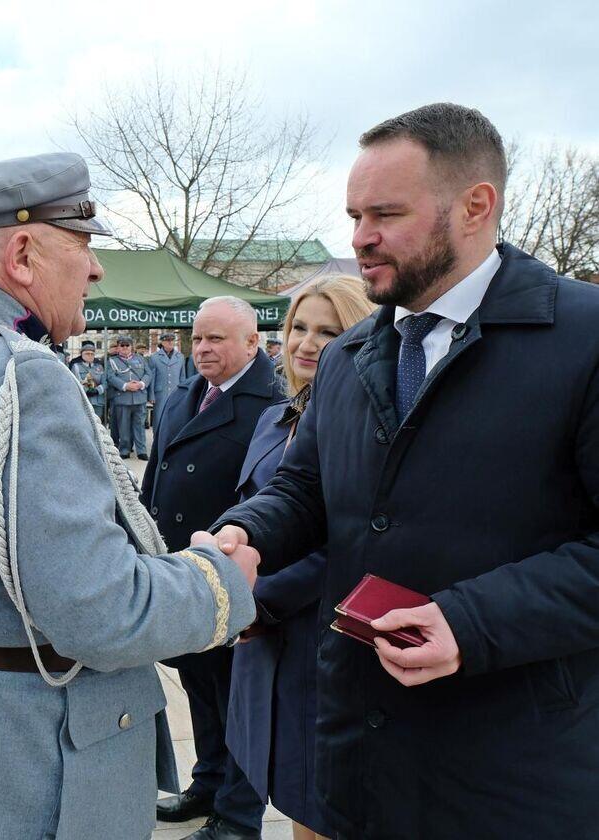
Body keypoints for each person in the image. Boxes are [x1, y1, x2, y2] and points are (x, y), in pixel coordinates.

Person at [208, 102, 599, 839]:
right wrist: (247, 533)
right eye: (354, 216)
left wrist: (471, 621)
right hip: (358, 759)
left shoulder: (584, 336)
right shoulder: (351, 353)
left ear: (476, 206)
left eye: (385, 214)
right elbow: (305, 488)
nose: (360, 238)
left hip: (518, 771)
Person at [0, 152, 258, 840]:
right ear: (22, 255)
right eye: (83, 244)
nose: (96, 269)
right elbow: (101, 613)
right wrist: (220, 582)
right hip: (20, 761)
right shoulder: (17, 375)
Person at [225, 276, 373, 840]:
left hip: (320, 629)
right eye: (299, 328)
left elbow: (346, 533)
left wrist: (256, 601)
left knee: (321, 793)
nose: (307, 344)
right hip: (266, 633)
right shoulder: (275, 416)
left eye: (329, 332)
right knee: (287, 785)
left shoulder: (368, 424)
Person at [145, 295, 285, 838]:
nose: (202, 348)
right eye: (197, 337)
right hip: (183, 569)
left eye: (216, 339)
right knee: (199, 685)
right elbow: (156, 475)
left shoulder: (273, 403)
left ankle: (237, 813)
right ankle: (207, 783)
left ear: (252, 342)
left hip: (235, 574)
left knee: (238, 700)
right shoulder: (185, 394)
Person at [107, 336, 150, 458]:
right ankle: (125, 450)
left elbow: (148, 373)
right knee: (123, 426)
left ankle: (141, 451)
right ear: (118, 347)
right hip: (122, 398)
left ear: (132, 347)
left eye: (127, 345)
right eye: (122, 345)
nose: (125, 347)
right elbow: (110, 377)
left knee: (140, 426)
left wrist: (141, 384)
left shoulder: (140, 359)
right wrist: (125, 386)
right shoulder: (112, 361)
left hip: (139, 397)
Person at [148, 331, 190, 422]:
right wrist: (151, 395)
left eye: (172, 340)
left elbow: (182, 377)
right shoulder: (154, 357)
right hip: (160, 394)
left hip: (176, 392)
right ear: (162, 342)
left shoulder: (180, 357)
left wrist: (183, 393)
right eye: (167, 340)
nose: (170, 342)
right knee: (159, 418)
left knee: (174, 418)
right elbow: (152, 378)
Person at [69, 340, 106, 420]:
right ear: (82, 354)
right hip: (84, 400)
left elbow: (105, 383)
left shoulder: (99, 367)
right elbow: (75, 382)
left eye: (92, 354)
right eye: (87, 353)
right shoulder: (76, 366)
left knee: (98, 423)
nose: (90, 356)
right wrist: (86, 390)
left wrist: (97, 390)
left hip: (98, 400)